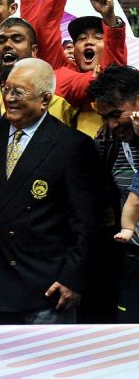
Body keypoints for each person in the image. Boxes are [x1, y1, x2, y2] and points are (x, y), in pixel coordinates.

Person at [0, 59, 98, 324]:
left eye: (19, 92)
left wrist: (73, 278)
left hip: (47, 282)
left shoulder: (72, 145)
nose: (9, 98)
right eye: (6, 89)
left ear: (45, 99)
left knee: (47, 361)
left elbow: (84, 222)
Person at [88, 65, 139, 322]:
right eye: (105, 117)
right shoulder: (108, 142)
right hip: (133, 260)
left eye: (117, 114)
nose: (111, 124)